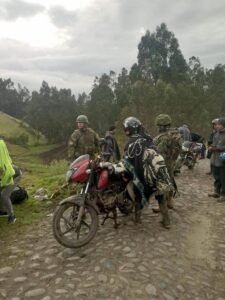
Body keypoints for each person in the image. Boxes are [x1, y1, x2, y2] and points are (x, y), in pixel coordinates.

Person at [123, 116, 173, 229]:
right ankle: (166, 221)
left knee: (138, 194)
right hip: (157, 172)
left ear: (129, 129)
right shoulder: (148, 138)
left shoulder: (129, 143)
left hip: (142, 175)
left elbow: (126, 162)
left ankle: (137, 219)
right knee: (160, 196)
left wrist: (127, 175)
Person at [153, 114, 182, 211]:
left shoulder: (164, 137)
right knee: (170, 180)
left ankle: (163, 206)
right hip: (170, 162)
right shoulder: (173, 135)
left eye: (159, 125)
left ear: (161, 126)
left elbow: (158, 151)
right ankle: (170, 202)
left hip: (162, 163)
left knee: (162, 184)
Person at [208, 118, 225, 202]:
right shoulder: (216, 134)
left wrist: (218, 148)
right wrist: (212, 147)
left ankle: (223, 194)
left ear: (223, 125)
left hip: (223, 158)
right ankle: (217, 191)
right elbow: (214, 143)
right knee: (216, 175)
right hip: (215, 158)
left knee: (223, 177)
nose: (217, 126)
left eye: (219, 124)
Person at [0, 138, 17, 223]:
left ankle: (12, 216)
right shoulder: (2, 144)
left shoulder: (2, 166)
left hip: (15, 175)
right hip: (9, 173)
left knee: (4, 195)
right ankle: (3, 211)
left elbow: (3, 175)